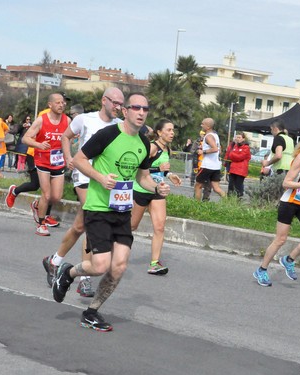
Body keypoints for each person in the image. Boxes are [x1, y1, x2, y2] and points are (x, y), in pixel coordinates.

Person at [51, 93, 171, 332]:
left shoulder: (144, 144)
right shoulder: (108, 134)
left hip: (122, 210)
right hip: (98, 208)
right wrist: (100, 177)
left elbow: (143, 177)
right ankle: (69, 272)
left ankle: (91, 311)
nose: (141, 112)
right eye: (136, 107)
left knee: (119, 266)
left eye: (145, 109)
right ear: (125, 111)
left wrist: (157, 187)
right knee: (99, 266)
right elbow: (79, 159)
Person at [39, 88, 123, 296]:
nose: (118, 108)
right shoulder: (85, 119)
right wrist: (69, 157)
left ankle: (54, 260)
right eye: (115, 103)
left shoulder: (118, 126)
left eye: (121, 105)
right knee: (92, 220)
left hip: (103, 180)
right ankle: (84, 277)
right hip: (84, 176)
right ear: (104, 100)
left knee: (79, 226)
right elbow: (65, 137)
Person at [253, 127, 300, 287]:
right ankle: (262, 270)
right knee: (280, 240)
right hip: (290, 202)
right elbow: (286, 183)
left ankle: (289, 259)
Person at [131, 118, 182, 275]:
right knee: (131, 226)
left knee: (159, 227)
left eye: (173, 130)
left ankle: (154, 264)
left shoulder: (166, 149)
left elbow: (162, 170)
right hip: (140, 190)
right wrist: (158, 168)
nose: (172, 133)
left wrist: (170, 174)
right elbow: (139, 169)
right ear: (159, 132)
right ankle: (110, 248)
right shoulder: (152, 147)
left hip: (157, 192)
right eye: (168, 130)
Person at [22, 93, 70, 236]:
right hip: (42, 160)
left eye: (63, 103)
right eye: (58, 103)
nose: (61, 105)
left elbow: (70, 137)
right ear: (50, 105)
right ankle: (41, 224)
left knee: (56, 197)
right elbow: (25, 138)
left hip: (58, 161)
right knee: (47, 195)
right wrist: (38, 144)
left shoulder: (67, 120)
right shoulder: (41, 120)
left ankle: (37, 205)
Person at [194, 118, 226, 201]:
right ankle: (228, 202)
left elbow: (215, 149)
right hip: (216, 166)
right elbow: (219, 150)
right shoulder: (216, 135)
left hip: (207, 166)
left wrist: (203, 151)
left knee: (198, 185)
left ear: (208, 126)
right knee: (216, 188)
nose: (201, 125)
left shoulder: (208, 136)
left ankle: (195, 205)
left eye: (202, 124)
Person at [225, 132, 251, 198]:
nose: (237, 139)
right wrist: (235, 155)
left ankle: (238, 199)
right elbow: (230, 155)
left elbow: (240, 157)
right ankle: (229, 200)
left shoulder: (246, 147)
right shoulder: (235, 145)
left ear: (243, 139)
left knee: (238, 186)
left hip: (241, 171)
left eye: (239, 137)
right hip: (233, 169)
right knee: (230, 186)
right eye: (237, 137)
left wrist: (233, 155)